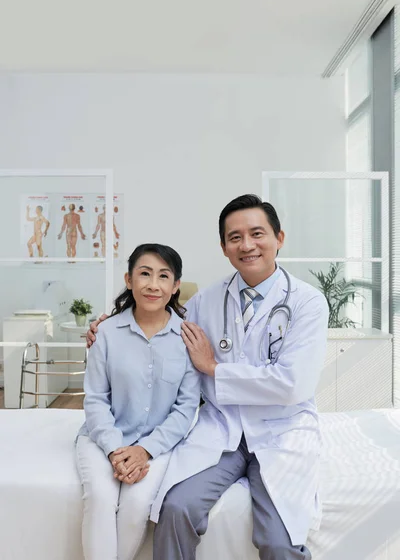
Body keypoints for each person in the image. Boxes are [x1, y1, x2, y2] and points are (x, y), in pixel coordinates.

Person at [87, 194, 329, 560]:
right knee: (175, 510)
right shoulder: (205, 301)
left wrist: (215, 369)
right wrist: (107, 328)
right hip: (222, 428)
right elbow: (157, 321)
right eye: (235, 237)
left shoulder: (308, 302)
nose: (246, 245)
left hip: (282, 431)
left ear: (279, 238)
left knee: (279, 542)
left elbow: (293, 384)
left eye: (257, 233)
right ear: (224, 247)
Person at [77, 243, 200, 560]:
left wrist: (144, 450)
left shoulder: (188, 339)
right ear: (129, 280)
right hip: (102, 438)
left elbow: (186, 409)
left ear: (175, 287)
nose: (153, 284)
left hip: (157, 445)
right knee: (102, 497)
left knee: (136, 504)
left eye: (163, 276)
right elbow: (95, 400)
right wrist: (116, 449)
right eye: (144, 274)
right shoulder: (105, 333)